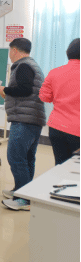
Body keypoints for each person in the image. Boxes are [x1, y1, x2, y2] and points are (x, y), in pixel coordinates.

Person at [0, 38, 46, 211]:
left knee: (15, 157)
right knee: (27, 157)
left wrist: (4, 89)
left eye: (10, 51)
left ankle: (23, 199)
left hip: (24, 120)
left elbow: (24, 90)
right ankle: (23, 192)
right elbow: (27, 91)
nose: (9, 55)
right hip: (32, 118)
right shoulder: (32, 65)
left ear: (14, 50)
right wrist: (7, 93)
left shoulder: (23, 66)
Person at [40, 38, 80, 166]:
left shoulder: (55, 72)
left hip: (56, 128)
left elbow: (44, 97)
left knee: (60, 165)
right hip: (77, 130)